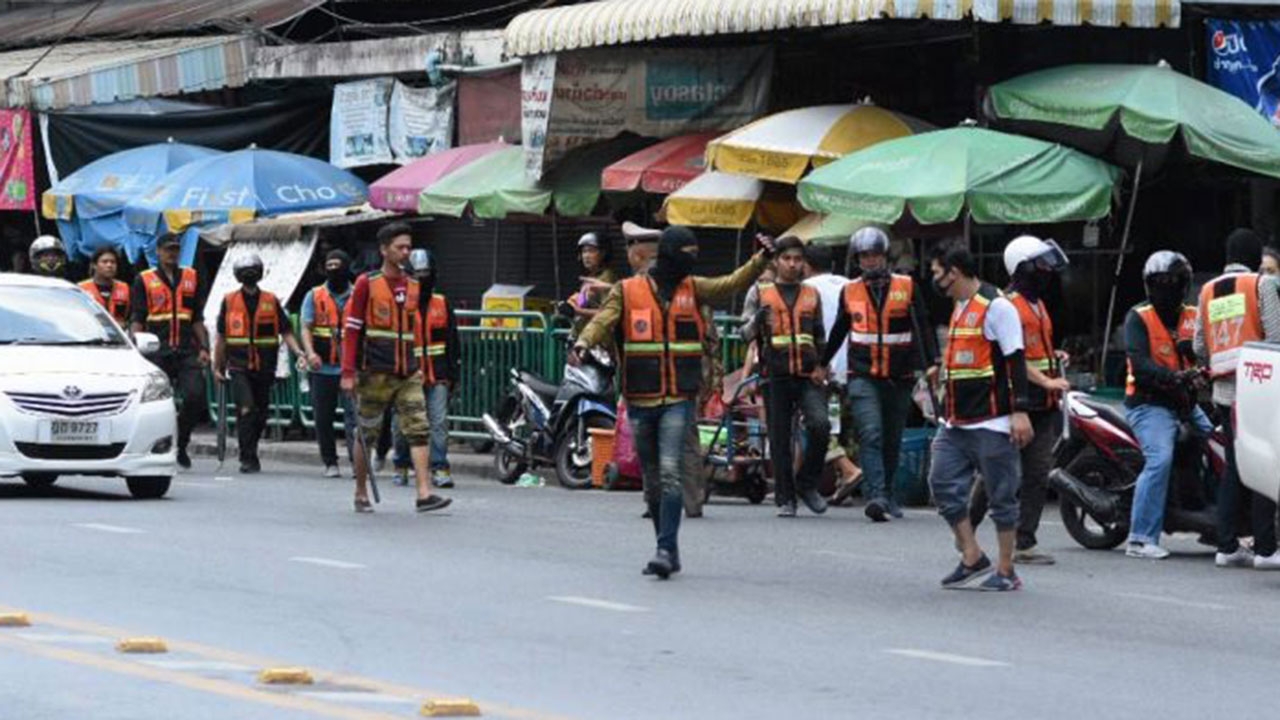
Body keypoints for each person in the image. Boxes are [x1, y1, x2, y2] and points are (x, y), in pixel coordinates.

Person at [573, 226, 774, 579]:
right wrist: (583, 344)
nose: (691, 261)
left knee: (669, 471)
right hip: (639, 397)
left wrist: (761, 259)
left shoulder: (693, 288)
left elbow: (730, 283)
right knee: (652, 480)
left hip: (678, 397)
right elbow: (604, 320)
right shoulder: (627, 289)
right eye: (686, 253)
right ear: (668, 255)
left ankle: (665, 549)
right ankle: (667, 545)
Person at [927, 245, 1034, 591]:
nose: (934, 279)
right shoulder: (959, 305)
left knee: (1002, 496)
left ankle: (1006, 570)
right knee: (941, 483)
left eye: (936, 272)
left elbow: (1015, 360)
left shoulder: (998, 307)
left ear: (953, 271)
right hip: (955, 421)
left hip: (992, 420)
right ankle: (972, 555)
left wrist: (1020, 411)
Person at [822, 228, 937, 522]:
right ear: (857, 260)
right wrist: (821, 363)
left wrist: (932, 362)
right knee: (870, 434)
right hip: (863, 375)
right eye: (864, 256)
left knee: (891, 437)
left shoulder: (908, 287)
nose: (870, 261)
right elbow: (839, 330)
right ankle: (876, 496)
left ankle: (888, 494)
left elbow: (923, 326)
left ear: (884, 256)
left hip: (900, 376)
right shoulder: (850, 290)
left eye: (874, 255)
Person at [969, 236, 1070, 565]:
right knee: (997, 470)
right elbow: (1014, 357)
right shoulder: (1007, 305)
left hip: (1043, 402)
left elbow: (1035, 350)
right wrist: (1046, 378)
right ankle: (966, 529)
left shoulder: (1038, 305)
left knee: (1038, 472)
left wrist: (1054, 359)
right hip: (1014, 401)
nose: (1047, 272)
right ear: (1023, 268)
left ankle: (1025, 541)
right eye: (1040, 266)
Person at [341, 221, 452, 514]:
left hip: (408, 371)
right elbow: (352, 329)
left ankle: (424, 493)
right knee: (367, 433)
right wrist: (348, 372)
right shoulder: (367, 283)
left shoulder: (413, 285)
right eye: (399, 247)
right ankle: (361, 491)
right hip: (375, 371)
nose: (405, 252)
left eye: (408, 247)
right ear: (384, 250)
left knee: (419, 429)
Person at [1194, 229, 1280, 569]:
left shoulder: (1207, 290)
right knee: (1263, 462)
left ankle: (1226, 545)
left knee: (1233, 466)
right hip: (1257, 389)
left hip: (1223, 392)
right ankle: (1265, 549)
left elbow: (1200, 346)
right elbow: (1275, 337)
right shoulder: (1261, 285)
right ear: (1256, 255)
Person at [1123, 250, 1211, 560]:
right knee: (1160, 458)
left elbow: (1205, 352)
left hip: (1184, 403)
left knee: (1217, 440)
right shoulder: (1138, 317)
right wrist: (1175, 377)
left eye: (1174, 282)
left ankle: (1210, 517)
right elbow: (1140, 363)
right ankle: (1140, 537)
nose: (1168, 288)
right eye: (1162, 283)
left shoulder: (1192, 315)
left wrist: (1202, 370)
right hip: (1149, 405)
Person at [742, 237, 830, 518]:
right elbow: (744, 333)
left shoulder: (811, 294)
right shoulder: (759, 292)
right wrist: (756, 320)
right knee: (779, 439)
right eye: (787, 259)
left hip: (807, 374)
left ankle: (807, 484)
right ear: (777, 261)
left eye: (798, 259)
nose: (793, 264)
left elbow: (819, 335)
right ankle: (785, 497)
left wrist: (821, 366)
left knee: (821, 425)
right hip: (774, 374)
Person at [213, 254, 305, 474]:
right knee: (247, 409)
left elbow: (286, 331)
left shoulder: (271, 300)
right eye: (245, 270)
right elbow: (222, 338)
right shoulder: (228, 301)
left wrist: (299, 352)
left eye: (253, 269)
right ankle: (247, 457)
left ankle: (250, 447)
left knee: (260, 413)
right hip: (238, 365)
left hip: (265, 366)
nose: (249, 274)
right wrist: (218, 367)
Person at [131, 233, 210, 469]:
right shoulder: (143, 280)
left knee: (196, 397)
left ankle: (181, 441)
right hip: (156, 351)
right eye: (167, 249)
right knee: (154, 402)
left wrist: (204, 347)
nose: (172, 253)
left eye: (175, 249)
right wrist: (135, 346)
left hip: (186, 350)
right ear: (158, 252)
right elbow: (138, 317)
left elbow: (196, 317)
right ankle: (155, 446)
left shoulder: (191, 277)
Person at [301, 250, 358, 478]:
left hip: (350, 368)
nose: (334, 269)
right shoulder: (314, 295)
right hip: (322, 368)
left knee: (354, 417)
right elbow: (306, 326)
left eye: (338, 265)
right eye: (329, 265)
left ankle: (357, 463)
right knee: (323, 417)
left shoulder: (358, 294)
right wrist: (310, 352)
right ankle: (330, 462)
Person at [408, 248, 461, 489]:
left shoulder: (442, 303)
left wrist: (453, 374)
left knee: (438, 421)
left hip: (438, 375)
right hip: (409, 375)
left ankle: (440, 467)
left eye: (425, 273)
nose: (422, 279)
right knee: (406, 424)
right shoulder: (403, 305)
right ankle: (402, 462)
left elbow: (453, 341)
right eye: (417, 274)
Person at [568, 232, 618, 340]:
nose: (586, 256)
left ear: (603, 253)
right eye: (584, 251)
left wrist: (578, 311)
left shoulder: (606, 278)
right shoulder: (589, 278)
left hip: (598, 341)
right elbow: (582, 304)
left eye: (591, 251)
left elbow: (609, 312)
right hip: (583, 337)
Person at [78, 246, 131, 325]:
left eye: (113, 262)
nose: (109, 265)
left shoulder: (124, 288)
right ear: (94, 265)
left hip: (118, 334)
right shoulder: (81, 289)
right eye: (104, 262)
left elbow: (132, 317)